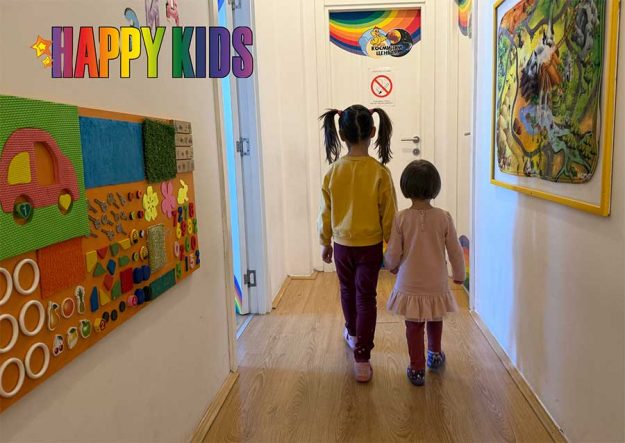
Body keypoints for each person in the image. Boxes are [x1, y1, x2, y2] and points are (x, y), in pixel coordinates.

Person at [318, 105, 397, 383]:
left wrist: (325, 242)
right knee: (366, 297)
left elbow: (326, 212)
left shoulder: (333, 172)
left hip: (342, 246)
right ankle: (362, 358)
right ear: (373, 132)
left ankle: (352, 333)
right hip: (370, 247)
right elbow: (389, 214)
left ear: (341, 135)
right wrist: (393, 246)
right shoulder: (380, 172)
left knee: (347, 291)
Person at [384, 160, 465, 386]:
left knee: (413, 325)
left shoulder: (401, 218)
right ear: (435, 187)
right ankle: (435, 354)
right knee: (435, 318)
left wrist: (390, 265)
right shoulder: (443, 217)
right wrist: (459, 274)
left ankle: (417, 367)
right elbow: (455, 251)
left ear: (406, 187)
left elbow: (394, 251)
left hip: (409, 283)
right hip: (436, 282)